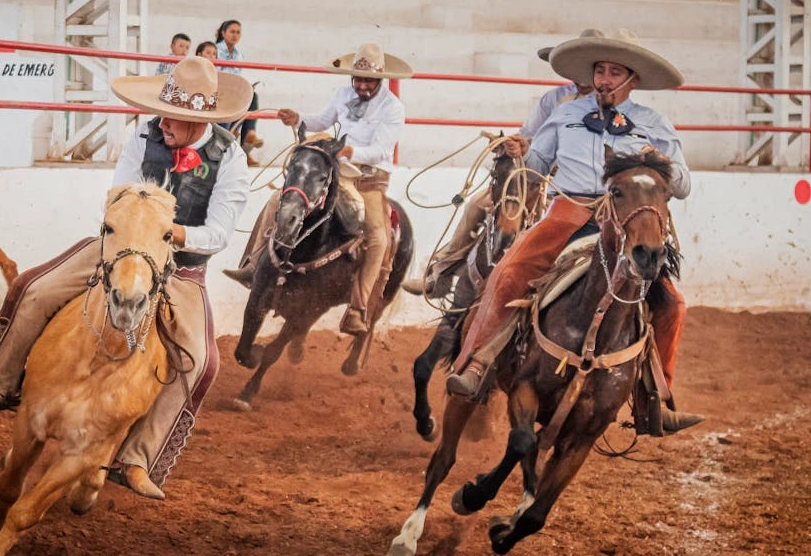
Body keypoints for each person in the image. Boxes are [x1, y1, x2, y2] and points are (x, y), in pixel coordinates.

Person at [0, 57, 253, 499]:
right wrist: (137, 230)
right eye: (164, 113)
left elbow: (219, 233)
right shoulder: (143, 134)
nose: (164, 123)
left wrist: (170, 232)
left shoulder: (230, 156)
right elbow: (117, 196)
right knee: (35, 289)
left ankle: (136, 458)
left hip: (181, 266)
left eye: (174, 118)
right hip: (122, 250)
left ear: (197, 122)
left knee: (202, 362)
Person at [442, 29, 700, 434]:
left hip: (631, 217)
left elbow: (682, 186)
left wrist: (663, 162)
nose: (605, 79)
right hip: (569, 211)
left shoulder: (654, 124)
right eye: (600, 71)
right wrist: (521, 155)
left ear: (633, 79)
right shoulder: (564, 113)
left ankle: (656, 402)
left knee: (672, 305)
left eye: (615, 72)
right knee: (508, 273)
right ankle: (474, 365)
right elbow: (539, 167)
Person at [223, 42, 413, 336]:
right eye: (358, 79)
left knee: (377, 235)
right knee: (280, 198)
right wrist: (299, 119)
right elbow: (323, 121)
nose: (362, 85)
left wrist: (350, 151)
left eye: (368, 81)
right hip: (337, 165)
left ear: (380, 80)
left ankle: (357, 308)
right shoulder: (343, 94)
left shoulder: (393, 107)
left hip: (370, 177)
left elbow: (381, 150)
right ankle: (253, 263)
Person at [402, 29, 604, 298]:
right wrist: (518, 145)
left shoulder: (607, 106)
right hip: (532, 172)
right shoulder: (552, 99)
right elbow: (529, 133)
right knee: (477, 205)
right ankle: (442, 270)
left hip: (569, 184)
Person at [215, 20, 263, 165]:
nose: (235, 35)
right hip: (220, 91)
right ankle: (243, 141)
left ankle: (246, 142)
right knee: (241, 99)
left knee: (251, 95)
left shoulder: (238, 54)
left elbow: (238, 76)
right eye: (232, 31)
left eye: (238, 32)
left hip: (233, 90)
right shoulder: (216, 50)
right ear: (223, 33)